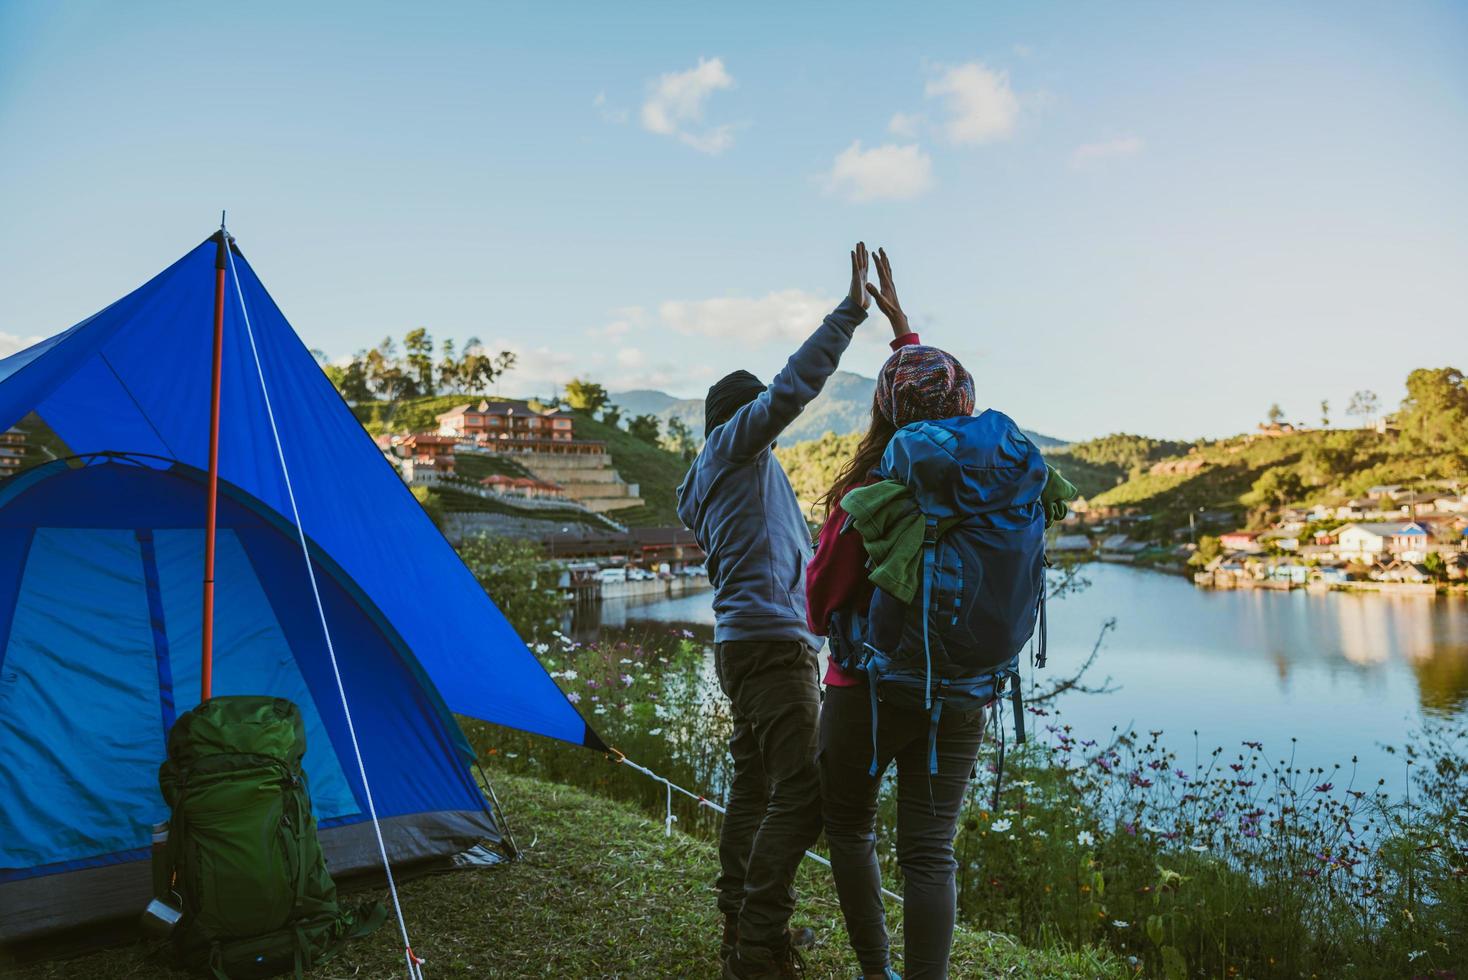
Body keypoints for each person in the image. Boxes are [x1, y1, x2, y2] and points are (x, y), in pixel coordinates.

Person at [807, 249, 1072, 980]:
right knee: (930, 850)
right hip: (965, 689)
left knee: (852, 830)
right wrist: (906, 332)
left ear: (885, 410)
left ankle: (876, 972)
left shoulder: (872, 494)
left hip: (868, 690)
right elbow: (930, 392)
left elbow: (820, 601)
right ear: (966, 404)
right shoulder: (1005, 478)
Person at [678, 243, 898, 980]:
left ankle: (740, 921)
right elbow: (789, 390)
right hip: (770, 652)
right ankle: (761, 944)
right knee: (803, 791)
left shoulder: (722, 483)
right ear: (738, 425)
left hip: (748, 648)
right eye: (760, 422)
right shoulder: (731, 454)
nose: (772, 430)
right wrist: (850, 315)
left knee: (753, 786)